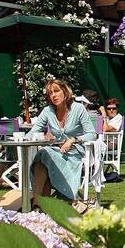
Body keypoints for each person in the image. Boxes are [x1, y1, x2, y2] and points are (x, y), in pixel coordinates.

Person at [30, 78, 98, 209]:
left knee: (43, 155)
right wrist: (17, 139)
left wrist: (73, 139)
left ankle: (39, 204)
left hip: (74, 153)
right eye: (50, 93)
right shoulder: (48, 111)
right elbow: (33, 132)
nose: (54, 95)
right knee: (41, 161)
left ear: (65, 92)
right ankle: (39, 204)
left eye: (56, 91)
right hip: (55, 151)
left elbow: (92, 134)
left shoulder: (78, 108)